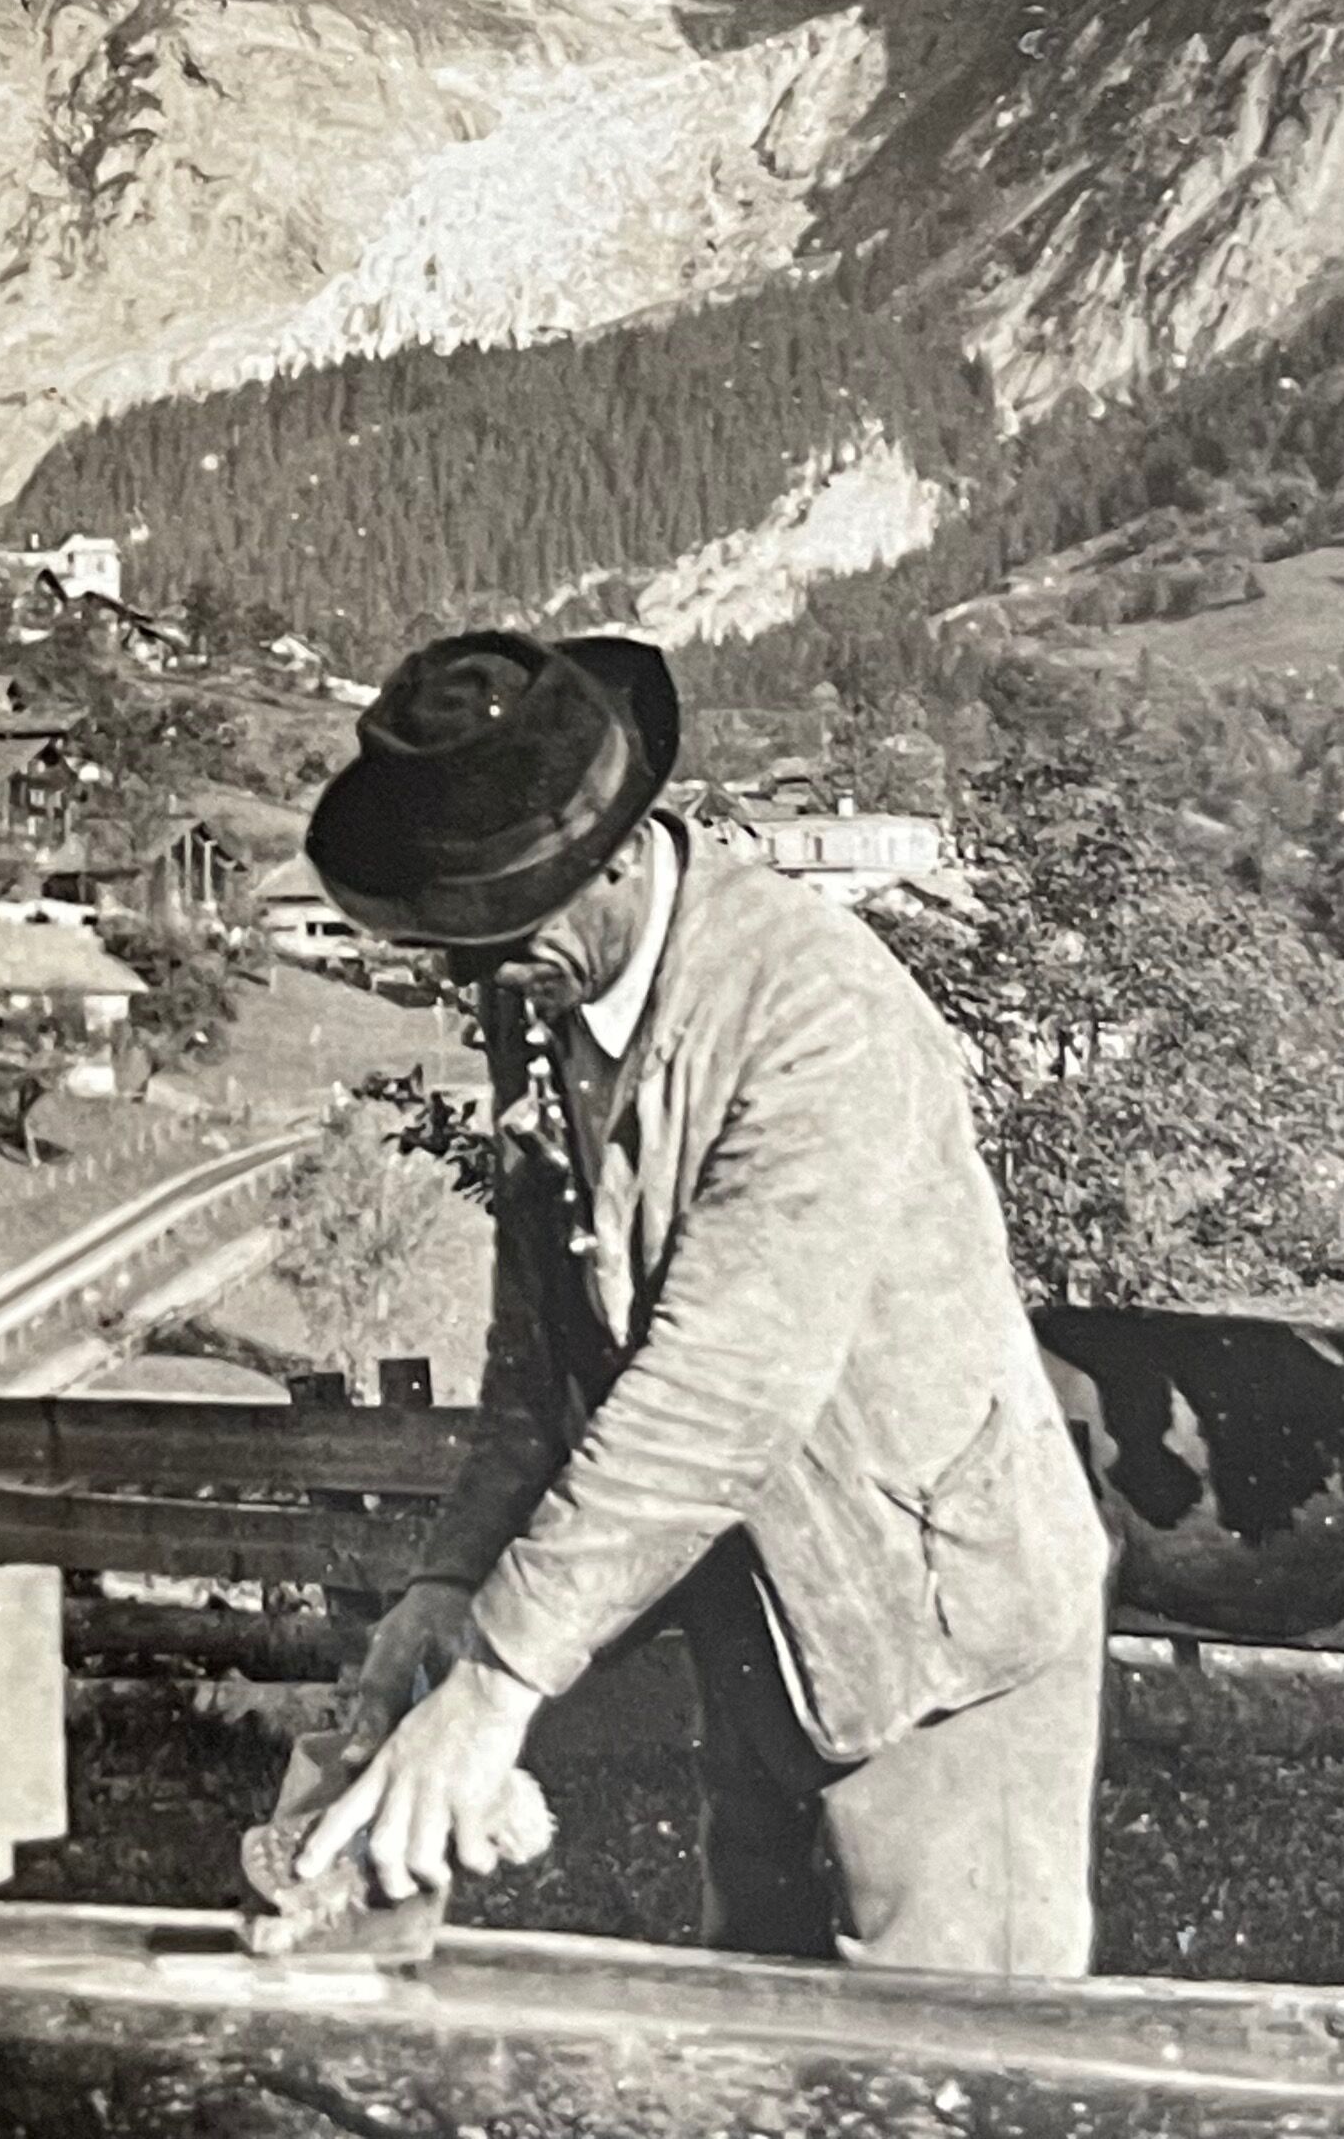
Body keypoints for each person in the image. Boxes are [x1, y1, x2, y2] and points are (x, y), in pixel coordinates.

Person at [279, 629, 1111, 1976]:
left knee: (953, 2064)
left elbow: (718, 1391)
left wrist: (499, 1685)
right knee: (763, 2034)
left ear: (606, 859)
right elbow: (536, 1357)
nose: (468, 980)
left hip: (933, 1637)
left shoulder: (815, 1015)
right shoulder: (542, 988)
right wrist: (446, 1586)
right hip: (767, 1622)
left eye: (497, 934)